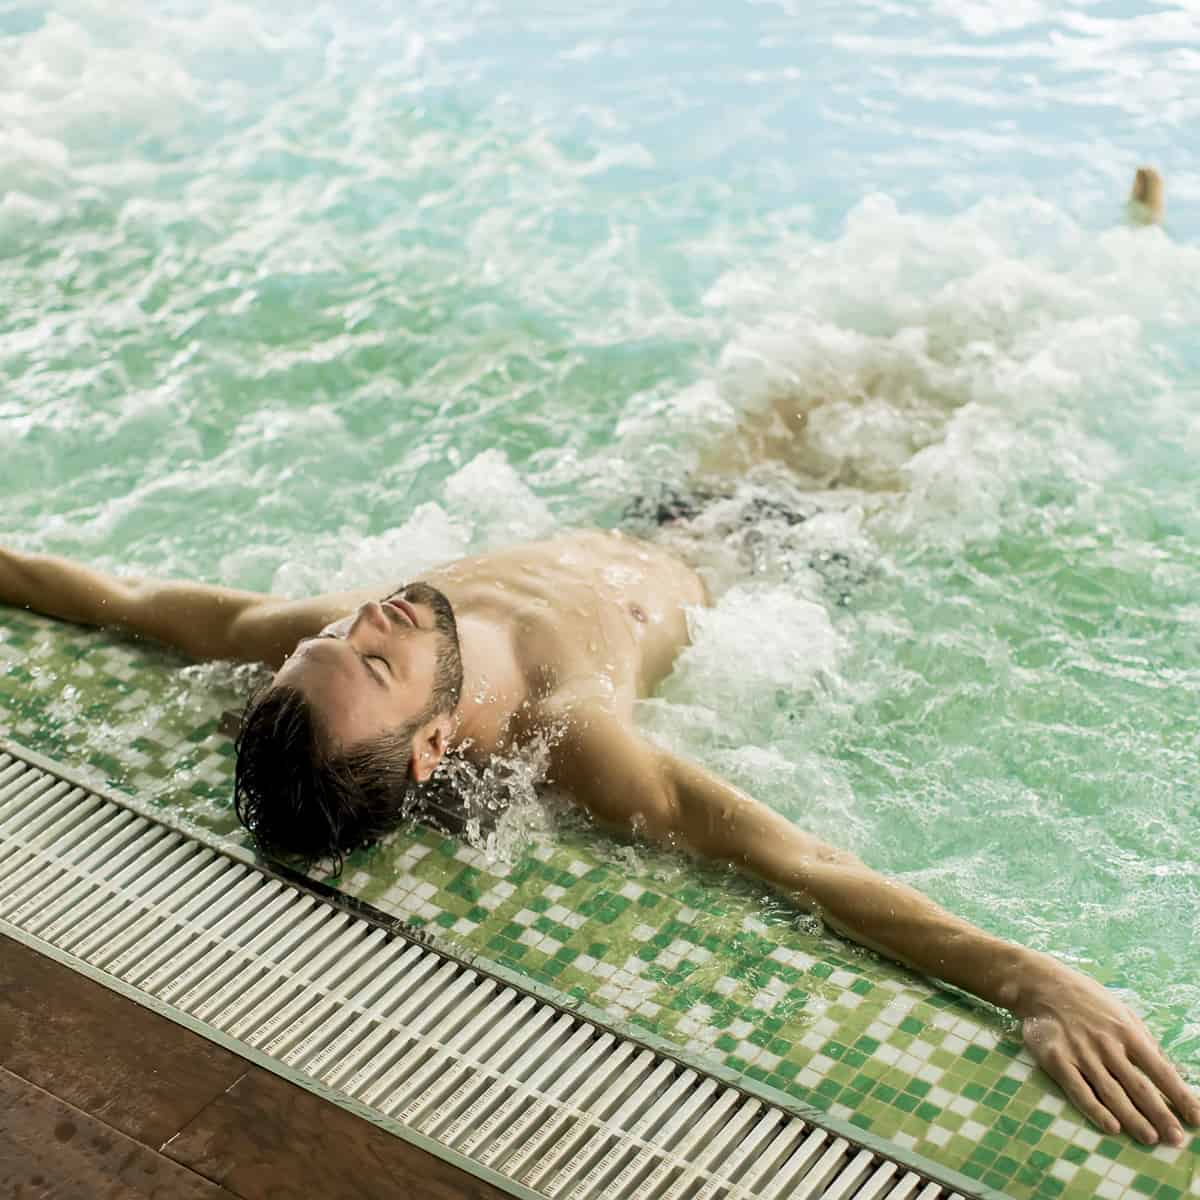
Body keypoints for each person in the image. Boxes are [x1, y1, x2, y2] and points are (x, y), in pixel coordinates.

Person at [1, 171, 1192, 1150]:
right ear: (428, 746)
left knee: (865, 358)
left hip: (656, 510)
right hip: (779, 563)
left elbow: (129, 599)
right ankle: (1130, 259)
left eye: (326, 641)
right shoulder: (577, 735)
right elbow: (803, 862)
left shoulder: (331, 637)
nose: (360, 622)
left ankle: (1100, 240)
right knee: (969, 396)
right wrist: (1035, 980)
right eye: (366, 660)